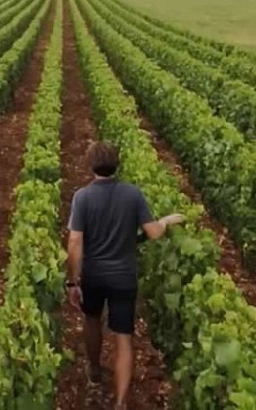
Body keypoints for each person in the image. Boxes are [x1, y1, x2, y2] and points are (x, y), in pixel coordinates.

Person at [65, 140, 184, 409]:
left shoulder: (82, 197)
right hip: (123, 276)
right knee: (124, 337)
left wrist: (72, 281)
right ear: (117, 164)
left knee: (92, 319)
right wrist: (165, 221)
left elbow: (75, 242)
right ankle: (120, 402)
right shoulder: (132, 194)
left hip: (94, 275)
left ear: (90, 164)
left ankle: (94, 371)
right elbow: (153, 233)